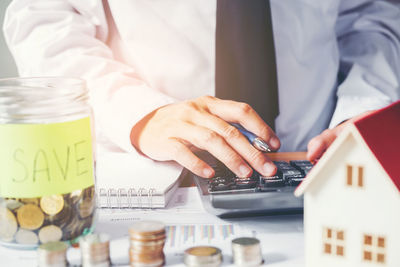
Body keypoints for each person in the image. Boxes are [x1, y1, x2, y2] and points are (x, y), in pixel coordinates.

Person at [4, 0, 400, 179]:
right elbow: (44, 20)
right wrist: (140, 114)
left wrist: (364, 110)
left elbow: (370, 18)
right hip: (167, 173)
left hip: (321, 161)